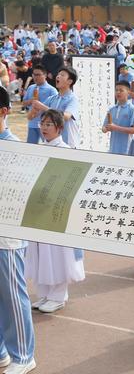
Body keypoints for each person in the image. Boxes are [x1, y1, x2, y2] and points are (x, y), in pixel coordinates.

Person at [26, 109, 85, 314]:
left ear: (59, 128)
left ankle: (58, 295)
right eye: (42, 123)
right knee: (41, 251)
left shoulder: (66, 151)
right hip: (39, 210)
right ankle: (44, 293)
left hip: (56, 212)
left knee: (58, 253)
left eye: (49, 124)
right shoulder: (39, 149)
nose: (44, 127)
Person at [0, 86, 36, 374]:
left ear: (3, 112)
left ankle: (23, 356)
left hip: (6, 237)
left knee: (12, 296)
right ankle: (1, 352)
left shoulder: (15, 148)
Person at [28, 66, 80, 149]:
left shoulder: (73, 99)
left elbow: (66, 116)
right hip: (52, 143)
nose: (58, 76)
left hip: (68, 144)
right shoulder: (52, 99)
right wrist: (35, 106)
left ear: (70, 81)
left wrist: (43, 107)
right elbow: (31, 117)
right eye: (58, 74)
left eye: (62, 75)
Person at [102, 81, 134, 155]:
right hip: (113, 149)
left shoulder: (132, 109)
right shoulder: (111, 109)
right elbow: (104, 128)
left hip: (127, 150)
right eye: (116, 90)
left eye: (121, 90)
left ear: (128, 92)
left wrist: (115, 128)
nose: (118, 92)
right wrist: (106, 128)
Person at [22, 64, 57, 144]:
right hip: (32, 123)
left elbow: (54, 110)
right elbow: (24, 103)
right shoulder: (31, 87)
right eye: (34, 74)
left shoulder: (51, 90)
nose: (35, 77)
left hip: (46, 125)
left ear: (45, 75)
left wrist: (40, 106)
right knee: (31, 147)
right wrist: (31, 101)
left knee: (48, 146)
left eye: (38, 75)